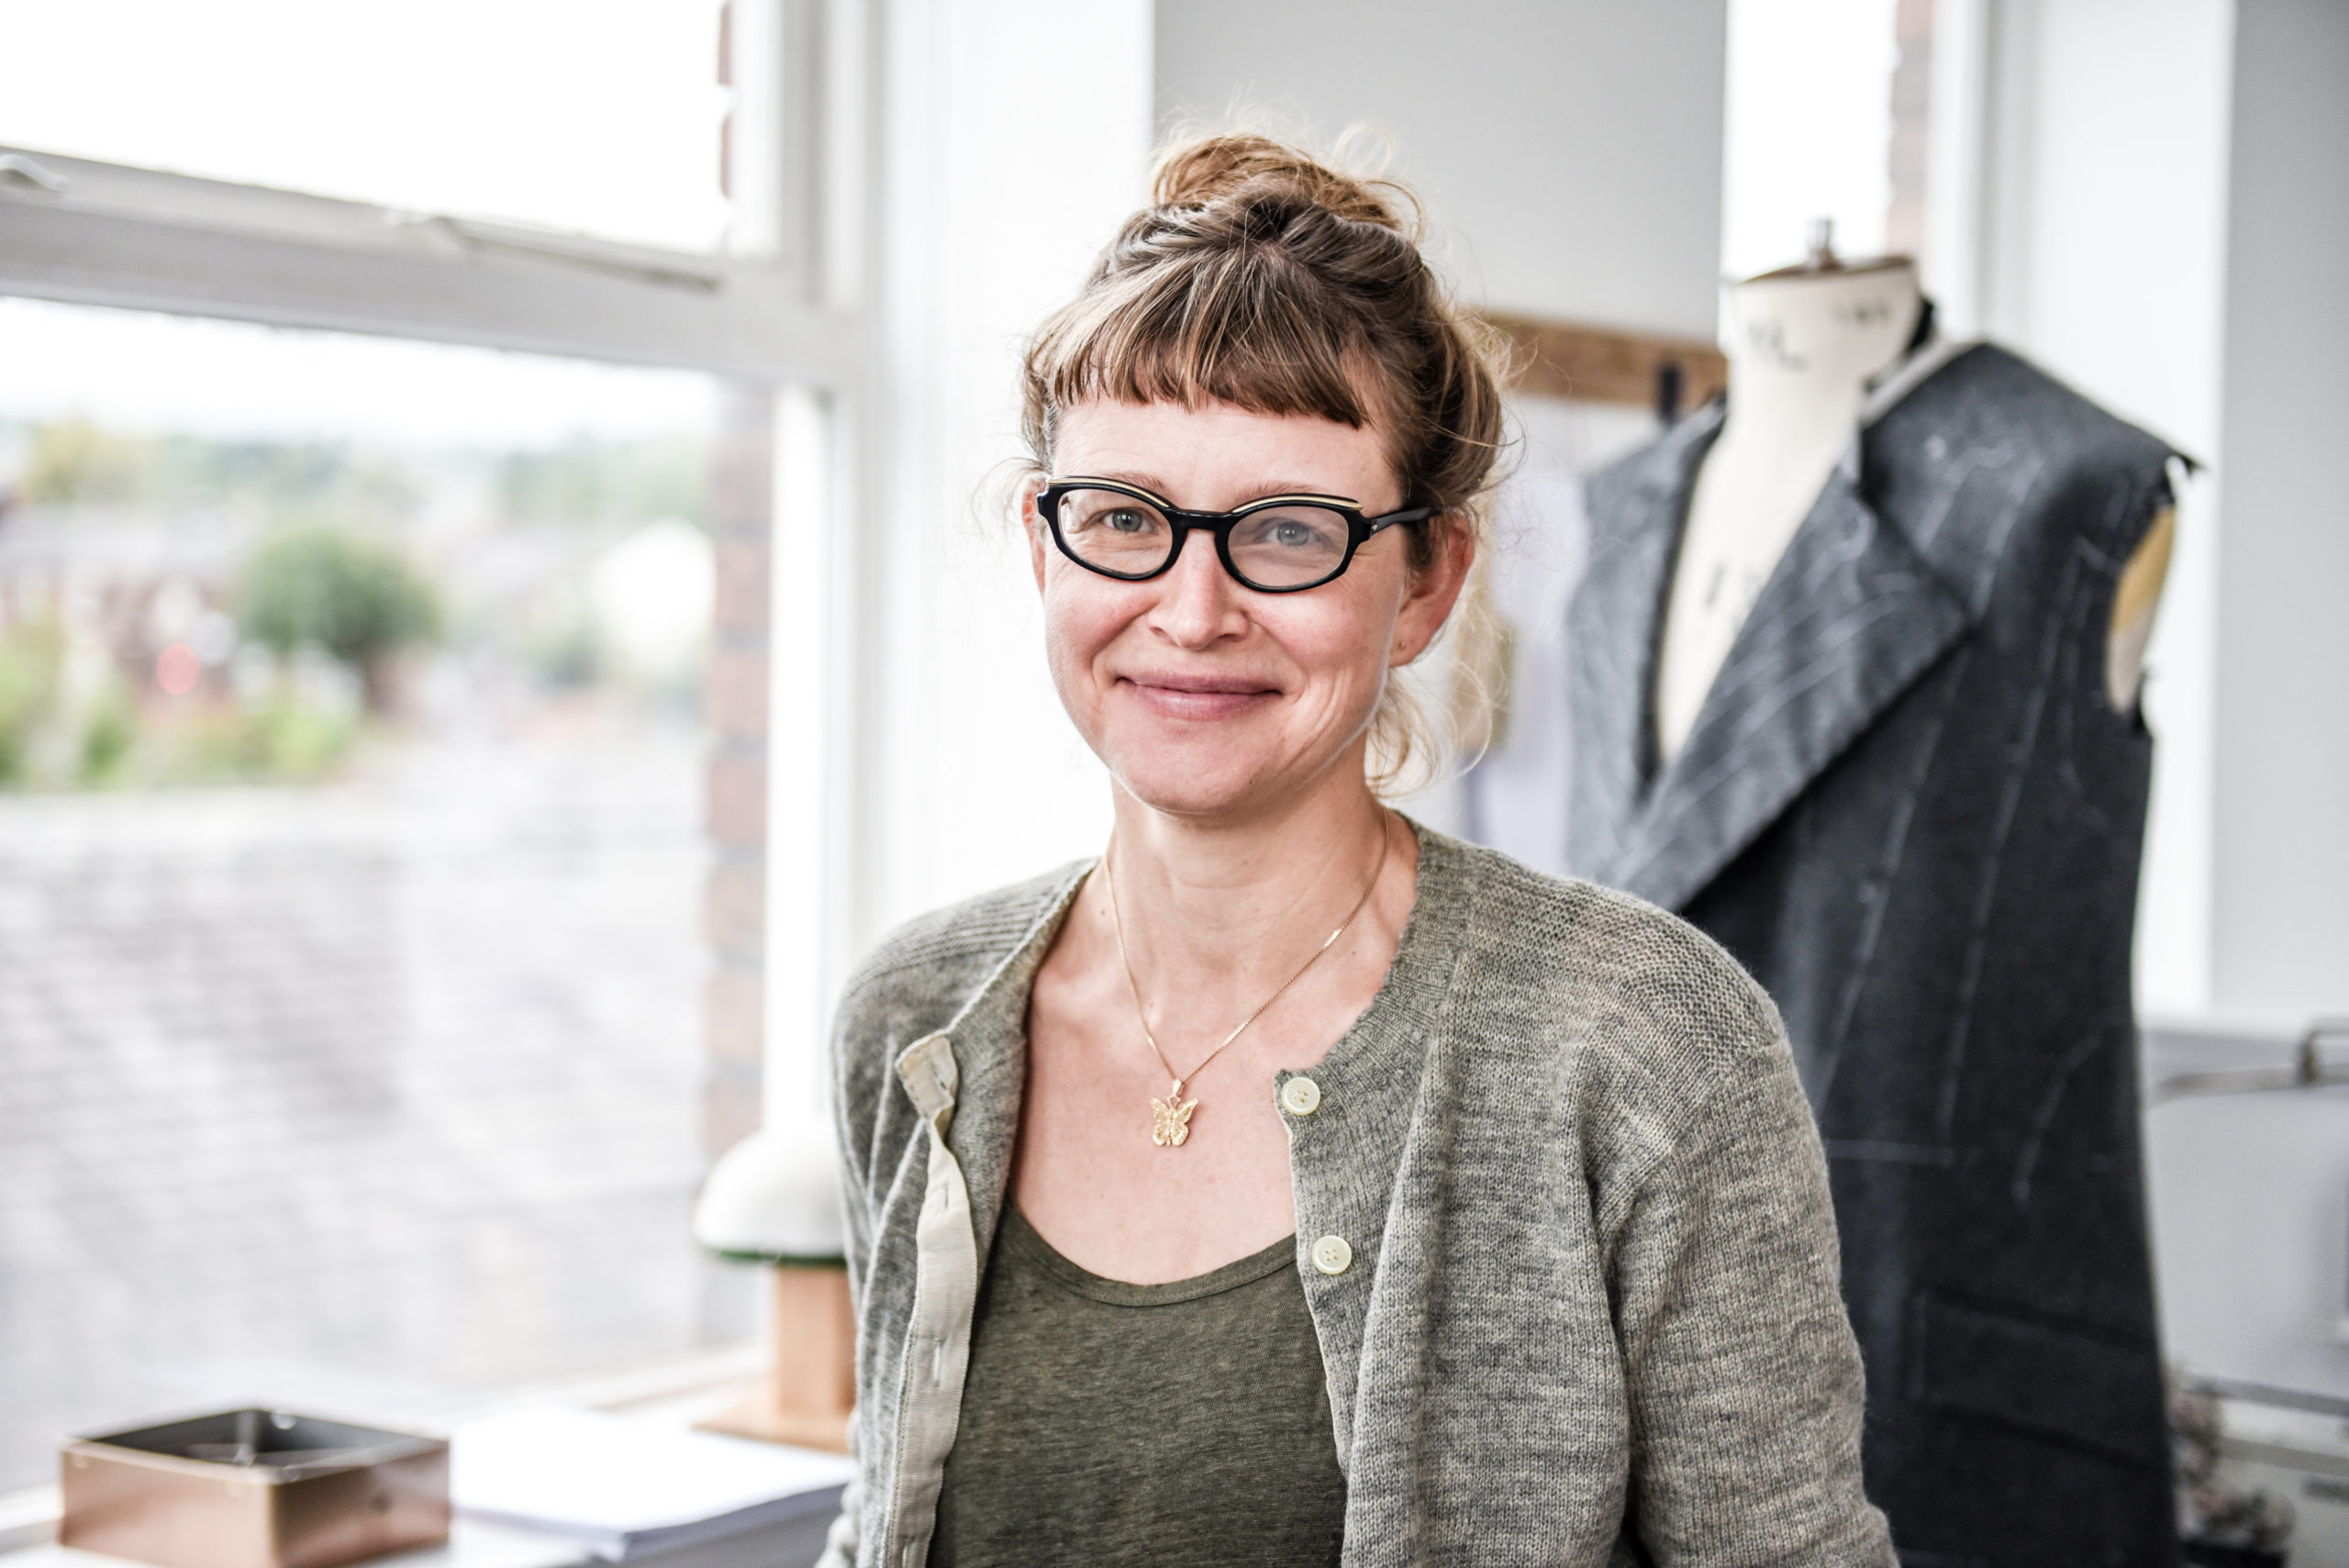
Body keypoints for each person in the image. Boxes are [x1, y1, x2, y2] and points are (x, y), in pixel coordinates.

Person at [818, 131, 1895, 1568]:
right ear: (1042, 542)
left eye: (1287, 532)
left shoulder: (1644, 1044)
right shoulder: (917, 1023)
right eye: (1125, 518)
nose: (1192, 609)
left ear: (1429, 579)